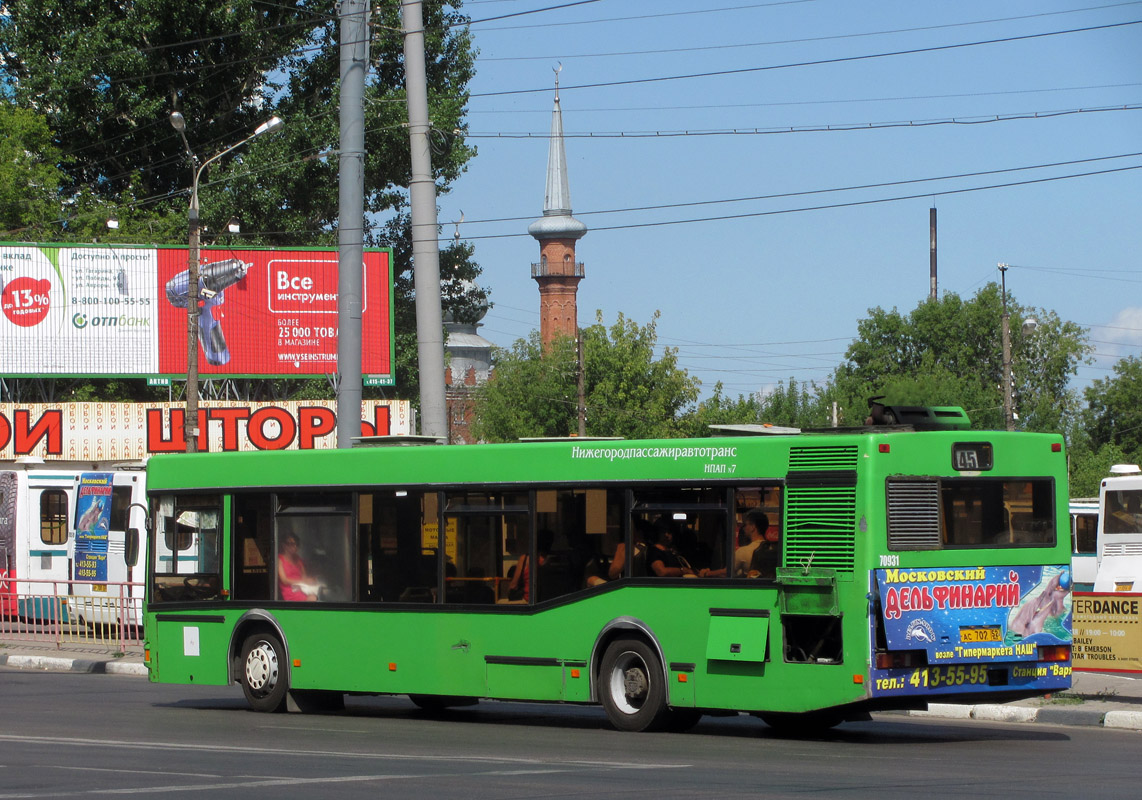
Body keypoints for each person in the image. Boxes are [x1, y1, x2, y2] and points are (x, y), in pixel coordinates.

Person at [277, 534, 320, 601]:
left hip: (302, 588)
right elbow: (284, 580)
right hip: (290, 591)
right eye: (291, 544)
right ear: (284, 545)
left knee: (322, 593)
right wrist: (304, 581)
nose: (295, 546)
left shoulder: (298, 559)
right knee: (313, 599)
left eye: (296, 544)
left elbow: (304, 576)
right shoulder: (279, 559)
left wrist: (310, 580)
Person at [734, 510, 768, 577]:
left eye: (745, 525)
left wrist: (708, 573)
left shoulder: (743, 551)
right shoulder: (771, 548)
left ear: (752, 527)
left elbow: (727, 572)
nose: (743, 528)